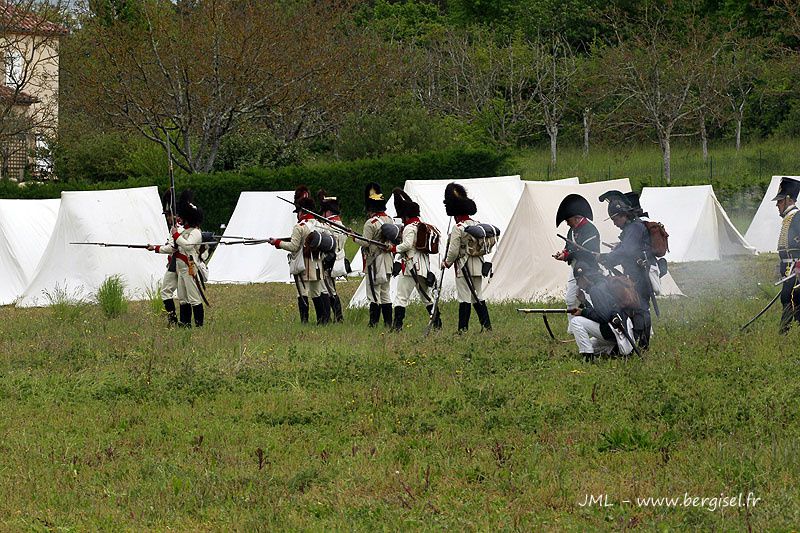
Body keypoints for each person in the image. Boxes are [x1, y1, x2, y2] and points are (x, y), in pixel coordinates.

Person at [268, 185, 331, 325]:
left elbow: (293, 246)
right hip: (317, 264)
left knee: (302, 293)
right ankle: (323, 321)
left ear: (301, 211)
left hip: (304, 265)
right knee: (316, 293)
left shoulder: (299, 227)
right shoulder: (318, 224)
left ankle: (305, 322)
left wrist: (277, 243)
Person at [598, 192, 653, 350]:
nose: (615, 223)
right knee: (634, 307)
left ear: (623, 214)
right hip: (634, 272)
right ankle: (636, 342)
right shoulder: (631, 228)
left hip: (640, 274)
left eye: (616, 219)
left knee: (641, 308)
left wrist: (608, 258)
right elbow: (624, 249)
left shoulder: (635, 227)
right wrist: (608, 255)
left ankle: (643, 345)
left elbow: (627, 251)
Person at [148, 190, 206, 327]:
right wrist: (157, 247)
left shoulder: (195, 232)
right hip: (181, 268)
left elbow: (186, 245)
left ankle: (199, 325)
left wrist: (175, 235)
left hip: (189, 267)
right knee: (183, 298)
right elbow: (173, 247)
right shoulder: (183, 231)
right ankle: (185, 323)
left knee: (194, 297)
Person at [441, 182, 491, 332]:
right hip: (478, 265)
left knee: (464, 298)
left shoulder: (458, 228)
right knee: (478, 296)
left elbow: (453, 251)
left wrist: (447, 263)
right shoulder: (477, 224)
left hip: (464, 266)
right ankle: (487, 326)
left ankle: (463, 329)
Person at [388, 188, 440, 331]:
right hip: (423, 267)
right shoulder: (421, 225)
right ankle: (437, 323)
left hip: (411, 267)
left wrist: (392, 249)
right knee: (426, 297)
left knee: (401, 298)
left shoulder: (410, 227)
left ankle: (397, 326)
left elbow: (407, 245)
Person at [569, 262, 635, 362]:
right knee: (589, 343)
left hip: (613, 328)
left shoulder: (595, 290)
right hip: (619, 326)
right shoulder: (602, 283)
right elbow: (601, 310)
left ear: (584, 278)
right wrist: (584, 302)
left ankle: (588, 356)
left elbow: (603, 317)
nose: (578, 284)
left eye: (578, 280)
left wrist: (583, 312)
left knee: (576, 321)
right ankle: (614, 349)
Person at [553, 193, 600, 331]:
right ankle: (573, 329)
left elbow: (586, 252)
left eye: (568, 220)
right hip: (575, 269)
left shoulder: (590, 230)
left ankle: (596, 326)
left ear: (577, 217)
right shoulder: (571, 231)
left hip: (589, 270)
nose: (567, 223)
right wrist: (563, 253)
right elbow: (570, 248)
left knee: (593, 299)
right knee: (570, 299)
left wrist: (567, 255)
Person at [358, 182, 393, 327]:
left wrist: (354, 237)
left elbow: (365, 242)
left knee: (373, 293)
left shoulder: (370, 223)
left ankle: (373, 323)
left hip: (375, 262)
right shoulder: (389, 219)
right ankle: (388, 322)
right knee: (385, 293)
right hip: (388, 260)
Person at [773, 177, 800, 333]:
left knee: (788, 297)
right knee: (794, 299)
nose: (777, 205)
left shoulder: (797, 217)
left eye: (780, 201)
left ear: (788, 200)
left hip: (796, 268)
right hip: (788, 268)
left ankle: (783, 333)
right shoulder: (789, 218)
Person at [318, 189, 345, 323]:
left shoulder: (329, 226)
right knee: (330, 288)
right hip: (338, 259)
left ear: (328, 211)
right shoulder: (340, 225)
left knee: (330, 290)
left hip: (329, 261)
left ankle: (338, 317)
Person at [157, 189, 180, 326]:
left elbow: (173, 247)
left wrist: (155, 248)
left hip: (178, 262)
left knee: (166, 292)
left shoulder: (177, 227)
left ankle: (173, 321)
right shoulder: (176, 227)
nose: (167, 218)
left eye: (168, 215)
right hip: (176, 262)